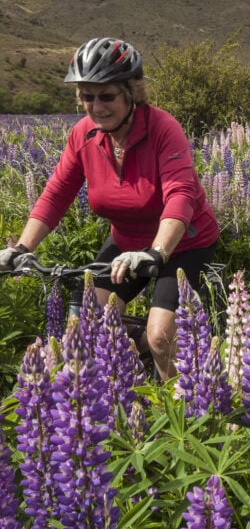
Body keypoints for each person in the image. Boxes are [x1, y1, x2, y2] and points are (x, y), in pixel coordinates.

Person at [0, 37, 219, 381]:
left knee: (162, 335)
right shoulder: (84, 135)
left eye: (107, 96)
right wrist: (20, 248)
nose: (96, 106)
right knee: (89, 317)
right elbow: (56, 194)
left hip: (181, 244)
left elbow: (181, 195)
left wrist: (156, 253)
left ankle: (179, 410)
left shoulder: (163, 129)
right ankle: (137, 356)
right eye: (87, 96)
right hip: (125, 243)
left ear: (132, 93)